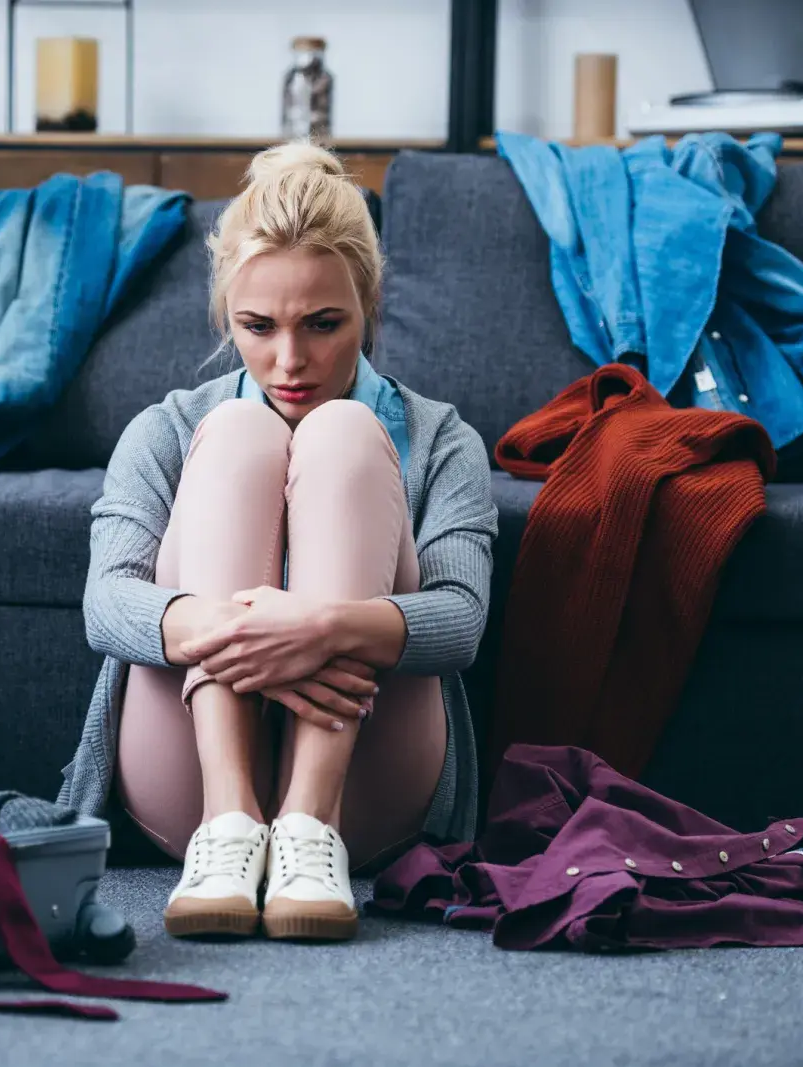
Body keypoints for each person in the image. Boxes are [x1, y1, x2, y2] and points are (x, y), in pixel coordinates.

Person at [58, 141, 497, 943]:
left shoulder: (442, 439)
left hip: (371, 784)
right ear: (226, 314)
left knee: (342, 433)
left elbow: (462, 620)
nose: (289, 361)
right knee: (236, 432)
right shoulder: (170, 427)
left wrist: (318, 626)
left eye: (324, 325)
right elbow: (106, 603)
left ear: (369, 301)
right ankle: (230, 825)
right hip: (186, 785)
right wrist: (242, 632)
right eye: (258, 327)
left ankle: (309, 824)